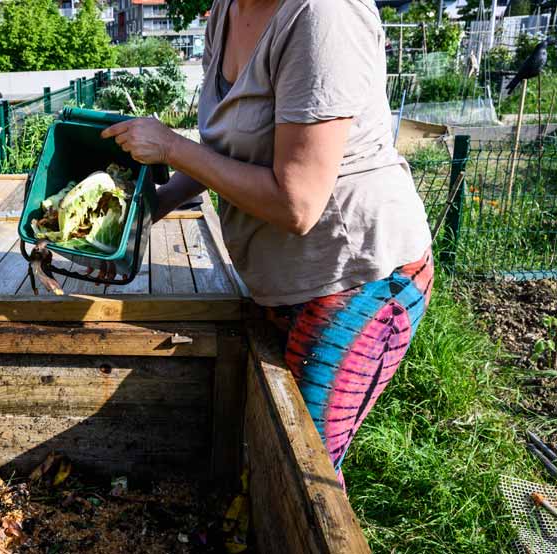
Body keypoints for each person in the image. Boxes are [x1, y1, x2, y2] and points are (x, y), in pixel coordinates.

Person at [100, 0, 433, 490]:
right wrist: (151, 207)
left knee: (301, 474)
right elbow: (232, 145)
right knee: (266, 444)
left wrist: (171, 147)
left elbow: (297, 203)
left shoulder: (322, 15)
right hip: (281, 280)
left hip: (355, 278)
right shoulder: (227, 9)